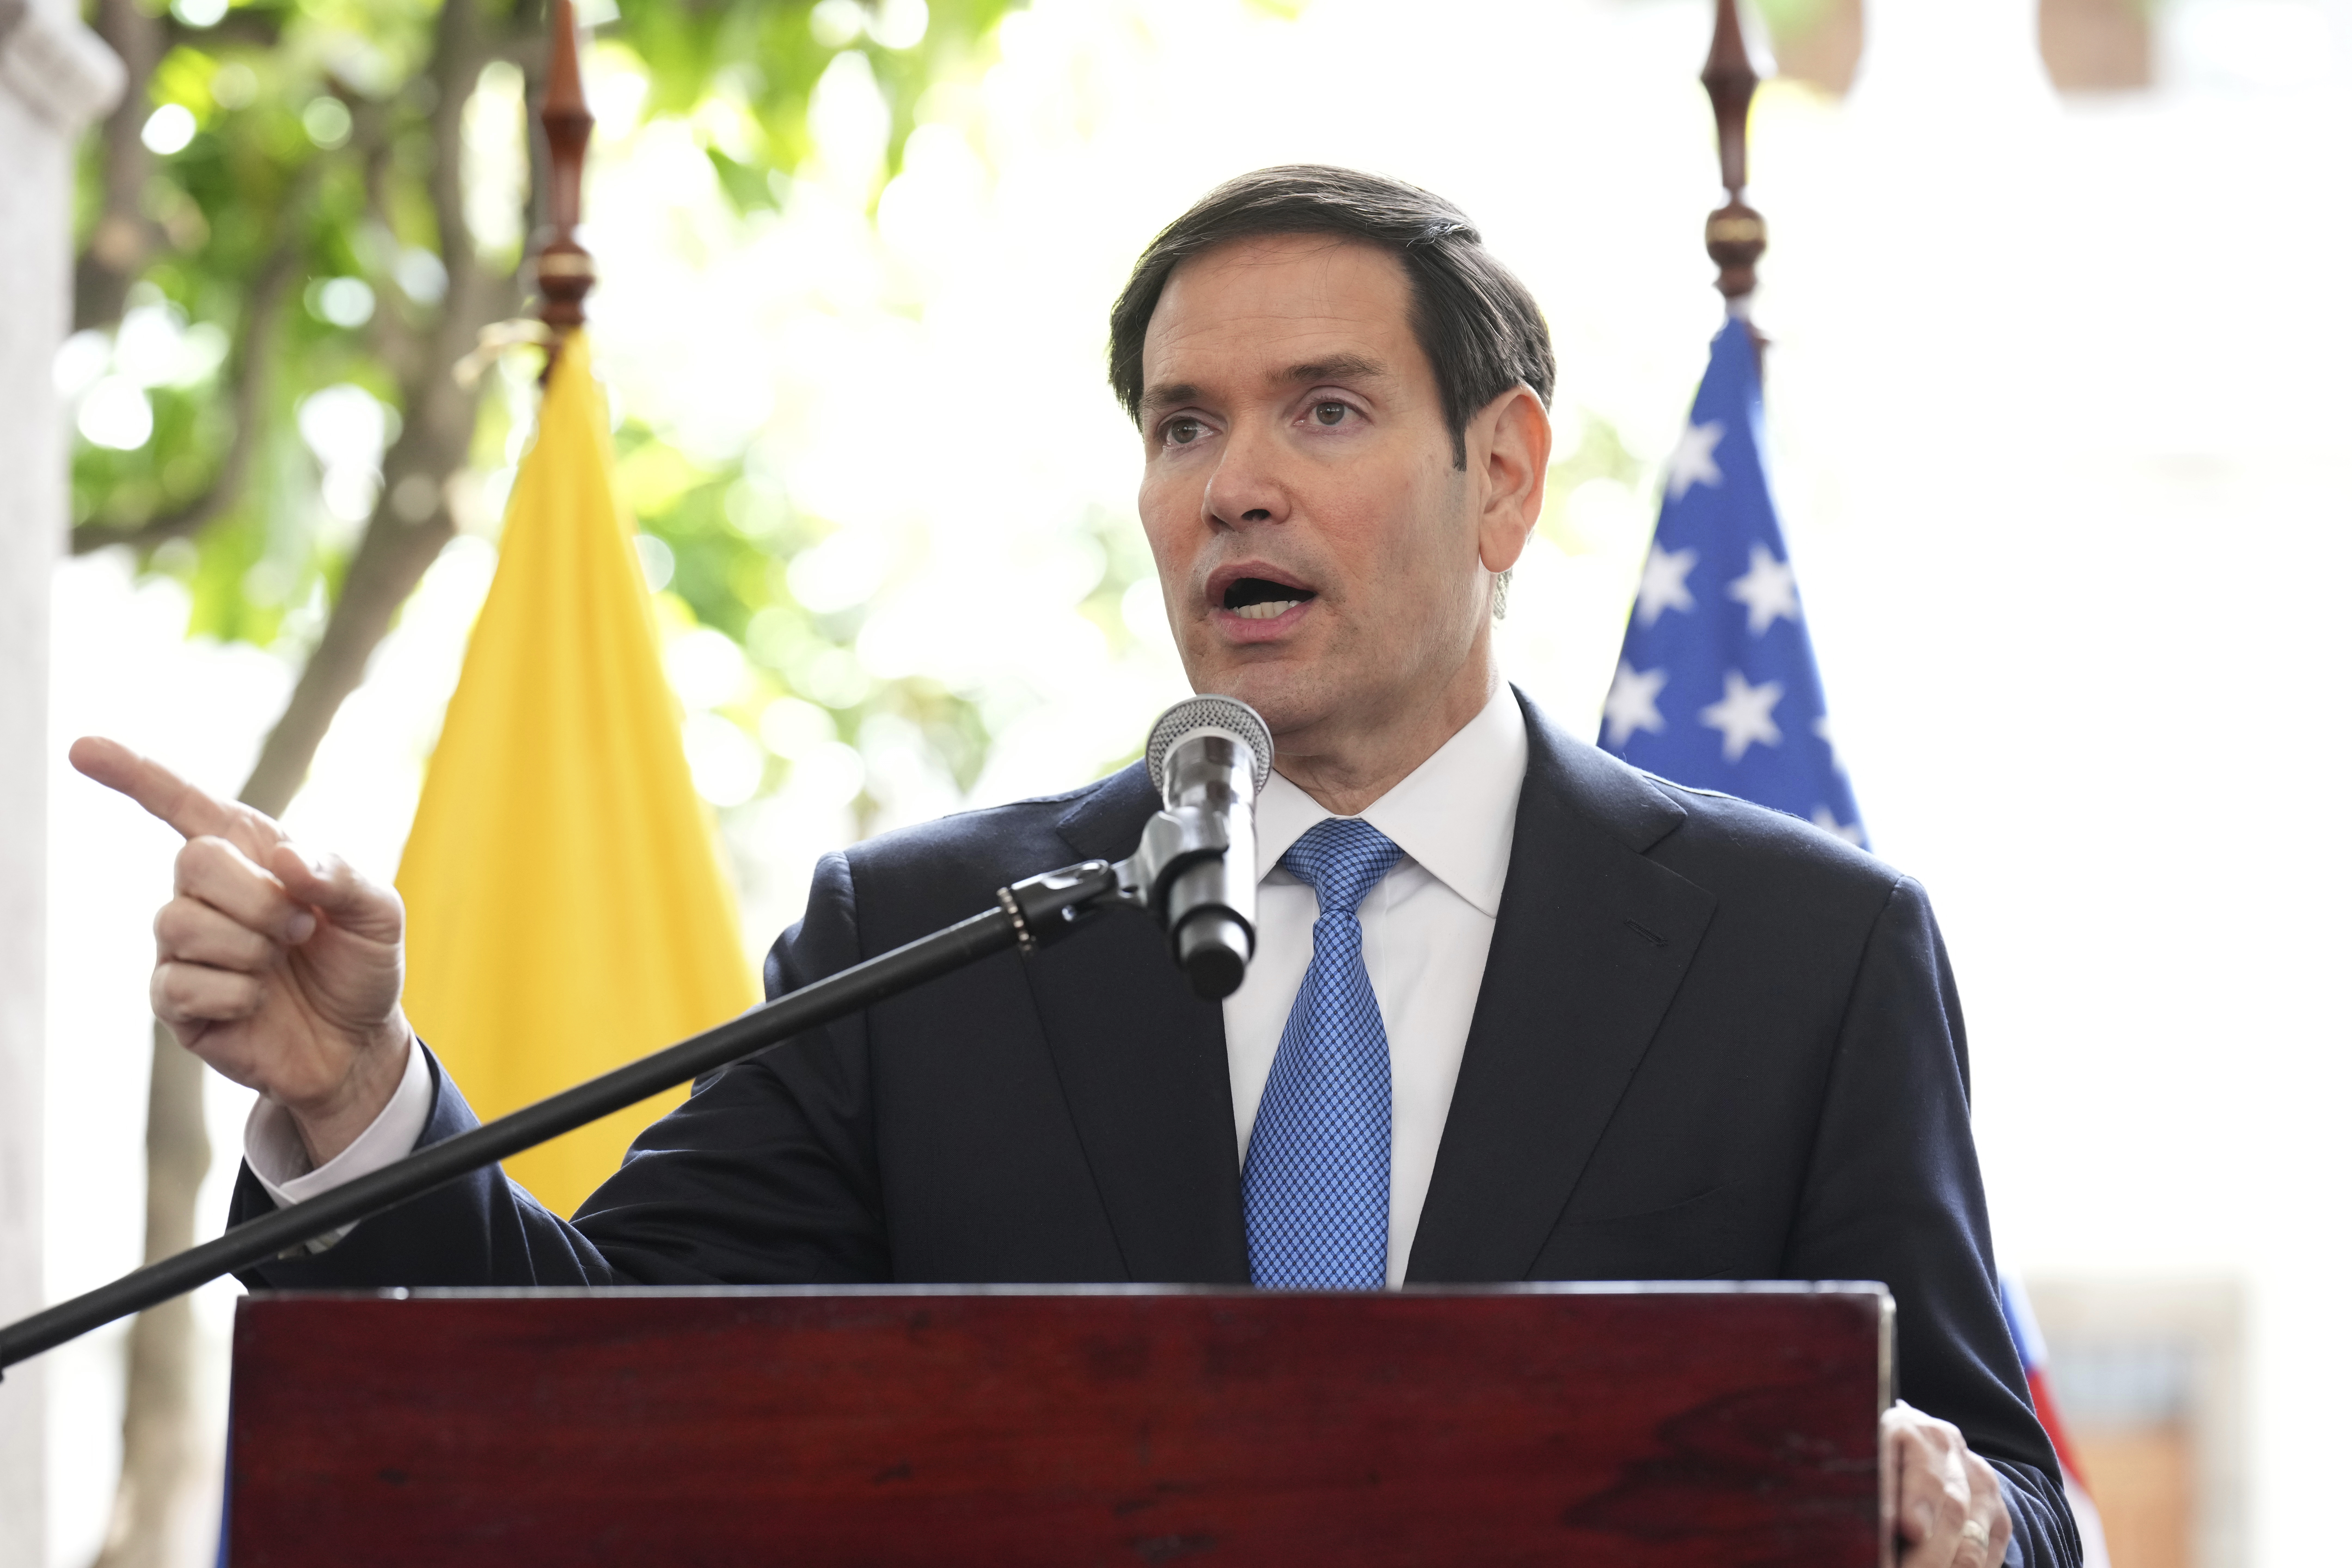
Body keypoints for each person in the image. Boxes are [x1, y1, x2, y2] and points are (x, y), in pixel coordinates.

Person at [76, 166, 2076, 1567]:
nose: (1238, 485)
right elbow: (590, 1385)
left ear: (1504, 475)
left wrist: (1966, 1521)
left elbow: (2018, 1490)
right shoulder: (931, 947)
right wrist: (350, 1099)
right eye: (1183, 425)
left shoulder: (1804, 954)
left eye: (1325, 410)